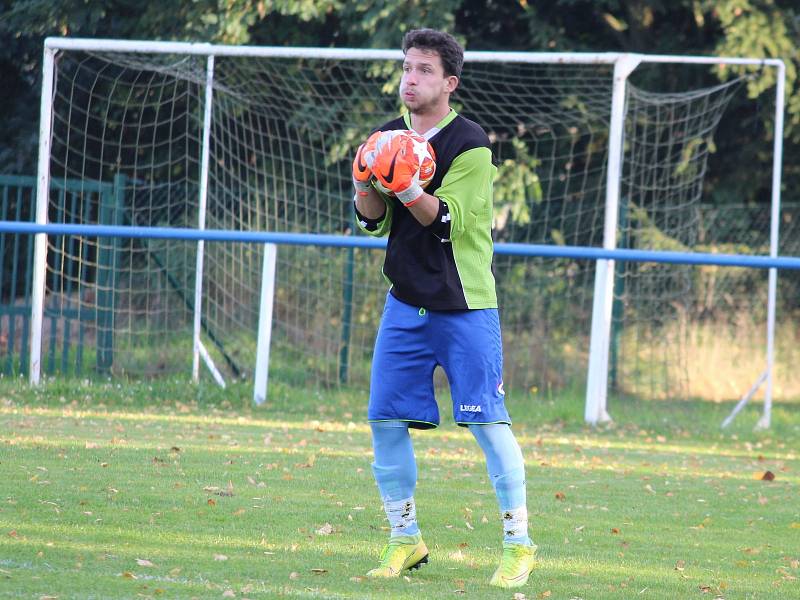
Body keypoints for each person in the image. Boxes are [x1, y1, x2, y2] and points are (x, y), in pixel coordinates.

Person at [351, 28, 537, 589]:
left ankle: (518, 546)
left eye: (425, 70)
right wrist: (364, 178)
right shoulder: (386, 135)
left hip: (464, 305)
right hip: (405, 304)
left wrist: (403, 184)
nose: (411, 79)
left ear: (449, 82)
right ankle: (404, 539)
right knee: (384, 419)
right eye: (407, 68)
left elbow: (446, 220)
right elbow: (371, 220)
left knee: (488, 424)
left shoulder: (472, 144)